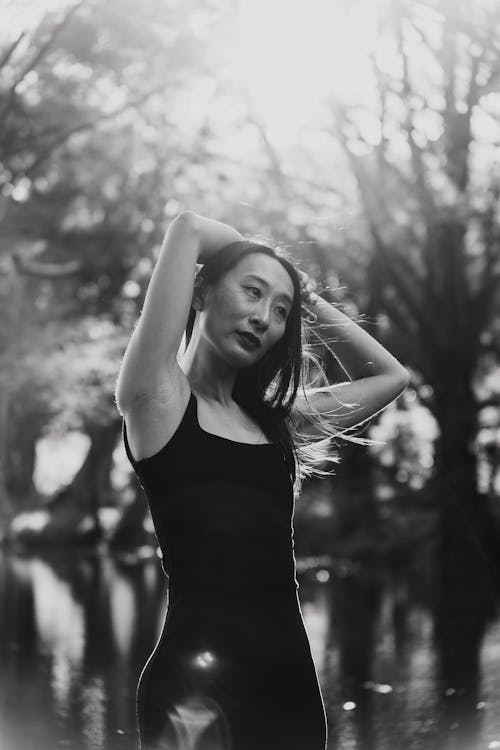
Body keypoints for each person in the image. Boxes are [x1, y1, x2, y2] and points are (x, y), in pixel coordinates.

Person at [115, 210, 409, 750]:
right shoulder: (157, 400)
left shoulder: (277, 423)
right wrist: (260, 251)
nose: (263, 319)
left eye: (280, 312)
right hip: (193, 692)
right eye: (251, 292)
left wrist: (306, 296)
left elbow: (390, 377)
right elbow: (187, 228)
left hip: (290, 688)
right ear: (200, 291)